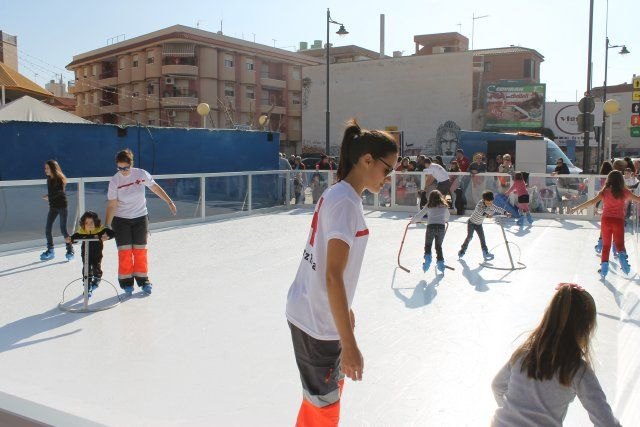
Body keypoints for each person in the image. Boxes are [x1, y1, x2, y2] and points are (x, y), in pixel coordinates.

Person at [286, 119, 397, 426]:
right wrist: (349, 344)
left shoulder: (339, 194)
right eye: (387, 169)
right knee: (323, 408)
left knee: (318, 400)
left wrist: (344, 310)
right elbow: (332, 275)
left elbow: (326, 266)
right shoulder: (345, 203)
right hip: (316, 322)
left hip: (315, 313)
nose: (389, 177)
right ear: (366, 160)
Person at [491, 283, 621, 427]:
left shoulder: (523, 355)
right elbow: (606, 423)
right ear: (586, 328)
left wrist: (514, 416)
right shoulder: (576, 370)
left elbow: (497, 386)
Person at [105, 149, 177, 296]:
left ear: (132, 165)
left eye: (125, 168)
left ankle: (144, 281)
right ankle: (126, 283)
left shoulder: (141, 174)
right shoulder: (114, 180)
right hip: (121, 220)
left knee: (140, 251)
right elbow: (112, 204)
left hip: (140, 217)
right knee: (125, 252)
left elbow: (155, 188)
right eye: (119, 168)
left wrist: (169, 201)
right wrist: (107, 225)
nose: (123, 171)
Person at [569, 170, 640, 277]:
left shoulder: (605, 192)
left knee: (606, 246)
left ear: (609, 179)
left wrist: (577, 208)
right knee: (620, 244)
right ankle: (623, 260)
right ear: (621, 180)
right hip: (618, 221)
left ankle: (604, 270)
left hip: (606, 220)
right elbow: (638, 199)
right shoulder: (624, 192)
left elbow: (592, 201)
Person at [68, 211, 115, 297]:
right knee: (86, 269)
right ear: (83, 224)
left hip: (97, 254)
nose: (89, 225)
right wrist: (70, 240)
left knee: (96, 268)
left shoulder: (100, 230)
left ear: (96, 222)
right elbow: (75, 238)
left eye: (91, 222)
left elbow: (112, 234)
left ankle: (97, 279)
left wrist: (107, 237)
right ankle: (87, 286)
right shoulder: (82, 232)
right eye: (86, 223)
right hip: (85, 254)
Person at [458, 191, 510, 260]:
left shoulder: (490, 205)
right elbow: (479, 211)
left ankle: (485, 251)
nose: (489, 204)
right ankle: (463, 250)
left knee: (482, 238)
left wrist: (505, 212)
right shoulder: (480, 203)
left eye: (491, 202)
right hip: (471, 223)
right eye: (488, 202)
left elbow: (498, 209)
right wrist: (487, 215)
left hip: (479, 224)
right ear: (484, 200)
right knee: (469, 237)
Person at [40, 160, 74, 261]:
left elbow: (59, 192)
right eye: (45, 168)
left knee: (63, 229)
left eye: (47, 168)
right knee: (47, 229)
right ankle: (50, 250)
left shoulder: (59, 179)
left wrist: (49, 197)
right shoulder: (49, 179)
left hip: (62, 207)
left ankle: (70, 250)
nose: (45, 170)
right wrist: (50, 199)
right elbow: (52, 193)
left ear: (52, 168)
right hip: (53, 207)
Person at [420, 190, 450, 273]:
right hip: (441, 227)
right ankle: (440, 264)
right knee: (438, 246)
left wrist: (413, 221)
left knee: (428, 245)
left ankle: (428, 259)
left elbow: (420, 214)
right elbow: (447, 217)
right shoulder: (444, 206)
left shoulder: (429, 205)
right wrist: (444, 220)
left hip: (431, 227)